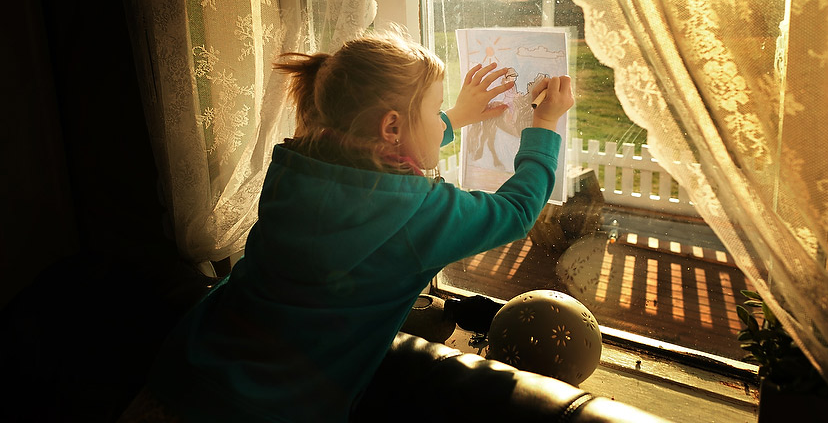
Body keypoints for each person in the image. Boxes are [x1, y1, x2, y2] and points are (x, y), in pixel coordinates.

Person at [142, 30, 573, 422]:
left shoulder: (294, 165)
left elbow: (375, 149)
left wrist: (455, 116)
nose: (440, 116)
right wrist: (545, 124)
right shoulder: (418, 214)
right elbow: (516, 212)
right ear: (391, 126)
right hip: (277, 408)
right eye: (435, 109)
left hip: (186, 365)